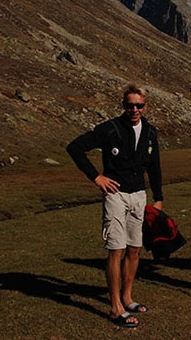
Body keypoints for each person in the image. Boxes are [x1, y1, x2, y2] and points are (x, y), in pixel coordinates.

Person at [66, 84, 163, 328]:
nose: (134, 110)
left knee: (134, 249)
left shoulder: (150, 132)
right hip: (116, 195)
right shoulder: (109, 129)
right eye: (130, 105)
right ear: (123, 105)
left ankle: (127, 298)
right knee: (116, 249)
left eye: (139, 105)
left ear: (145, 106)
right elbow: (75, 148)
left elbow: (155, 167)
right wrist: (97, 177)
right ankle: (115, 307)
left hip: (139, 195)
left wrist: (158, 197)